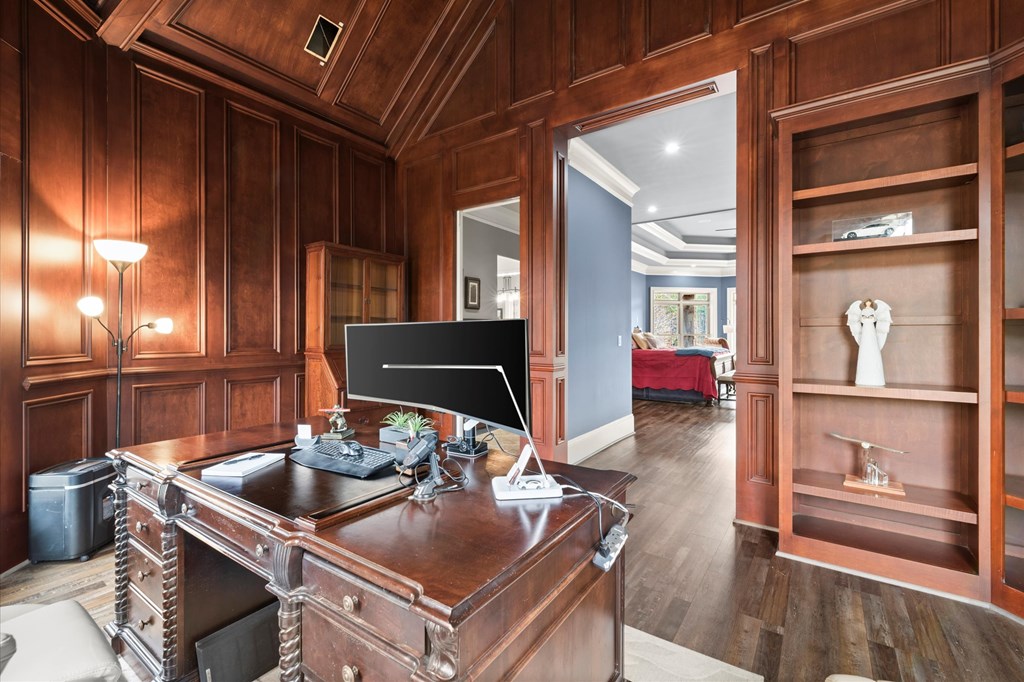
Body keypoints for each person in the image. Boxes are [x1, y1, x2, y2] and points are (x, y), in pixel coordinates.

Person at [845, 299, 892, 386]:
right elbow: (861, 319)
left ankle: (876, 378)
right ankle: (862, 378)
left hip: (871, 333)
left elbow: (874, 318)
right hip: (865, 334)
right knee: (864, 354)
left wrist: (869, 319)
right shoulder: (861, 312)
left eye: (870, 316)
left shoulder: (875, 313)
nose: (867, 317)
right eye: (864, 316)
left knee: (873, 353)